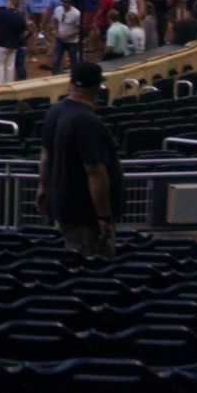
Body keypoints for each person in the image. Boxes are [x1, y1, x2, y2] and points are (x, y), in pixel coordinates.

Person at [39, 62, 123, 258]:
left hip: (64, 206)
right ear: (97, 88)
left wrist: (43, 188)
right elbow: (95, 171)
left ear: (71, 84)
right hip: (85, 215)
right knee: (91, 269)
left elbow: (45, 156)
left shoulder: (55, 111)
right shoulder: (86, 121)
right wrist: (103, 215)